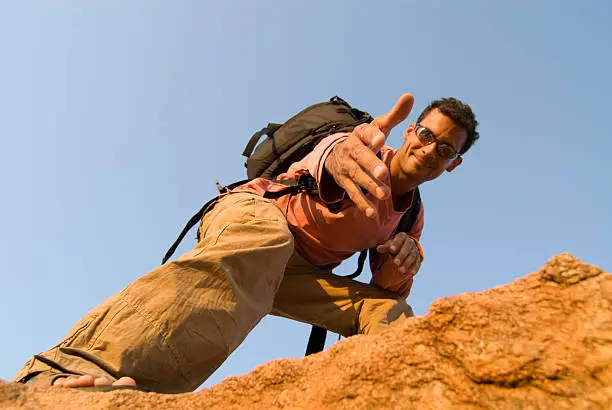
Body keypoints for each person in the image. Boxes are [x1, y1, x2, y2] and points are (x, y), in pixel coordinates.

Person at [12, 93, 479, 393]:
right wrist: (337, 157)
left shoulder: (412, 216)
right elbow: (325, 157)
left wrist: (403, 265)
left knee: (391, 314)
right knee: (267, 240)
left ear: (453, 164)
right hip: (255, 218)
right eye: (425, 134)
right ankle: (69, 374)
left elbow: (388, 290)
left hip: (297, 275)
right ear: (409, 131)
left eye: (445, 149)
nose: (429, 149)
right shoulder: (362, 146)